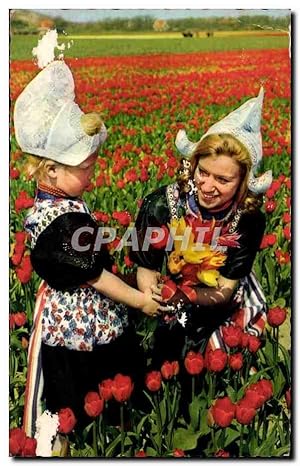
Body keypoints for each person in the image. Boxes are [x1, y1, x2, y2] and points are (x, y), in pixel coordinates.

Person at [13, 60, 163, 446]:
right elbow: (95, 275)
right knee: (93, 373)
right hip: (81, 319)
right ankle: (99, 437)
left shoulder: (52, 206)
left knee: (85, 379)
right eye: (85, 167)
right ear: (49, 172)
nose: (93, 173)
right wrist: (140, 301)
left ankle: (91, 433)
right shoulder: (65, 222)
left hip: (69, 315)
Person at [131, 87, 272, 371]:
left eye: (222, 179)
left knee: (222, 366)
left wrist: (191, 296)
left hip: (221, 303)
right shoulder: (160, 205)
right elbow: (145, 270)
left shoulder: (248, 218)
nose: (207, 186)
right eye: (202, 172)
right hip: (165, 297)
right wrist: (161, 297)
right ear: (192, 164)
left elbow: (226, 289)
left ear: (243, 182)